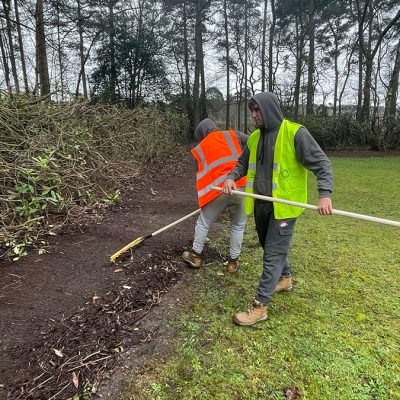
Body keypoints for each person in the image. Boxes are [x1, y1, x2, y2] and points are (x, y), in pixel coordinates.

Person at [222, 92, 333, 326]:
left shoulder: (295, 133)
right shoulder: (253, 138)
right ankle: (285, 278)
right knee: (268, 246)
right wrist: (232, 177)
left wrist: (324, 195)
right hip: (261, 203)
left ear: (269, 110)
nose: (253, 115)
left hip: (285, 206)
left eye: (257, 111)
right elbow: (242, 163)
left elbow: (321, 163)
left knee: (272, 253)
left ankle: (260, 306)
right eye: (252, 111)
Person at [182, 118, 248, 273]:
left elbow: (201, 174)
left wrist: (206, 200)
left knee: (204, 221)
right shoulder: (234, 135)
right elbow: (254, 143)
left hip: (218, 189)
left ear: (202, 134)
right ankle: (233, 262)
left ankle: (196, 255)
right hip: (241, 186)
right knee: (238, 225)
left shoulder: (201, 147)